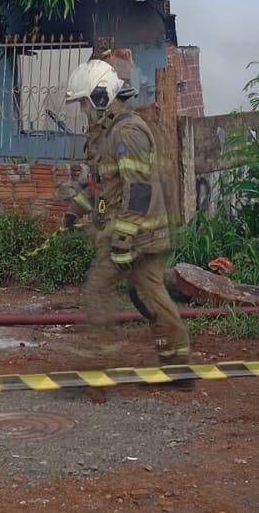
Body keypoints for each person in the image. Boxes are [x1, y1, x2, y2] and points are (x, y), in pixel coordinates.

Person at [61, 57, 190, 380]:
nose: (82, 110)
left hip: (134, 232)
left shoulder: (127, 131)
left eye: (83, 102)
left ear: (101, 97)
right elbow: (100, 181)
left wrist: (122, 239)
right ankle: (177, 363)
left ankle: (98, 362)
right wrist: (74, 210)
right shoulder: (105, 133)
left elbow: (140, 189)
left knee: (96, 290)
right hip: (137, 231)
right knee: (150, 291)